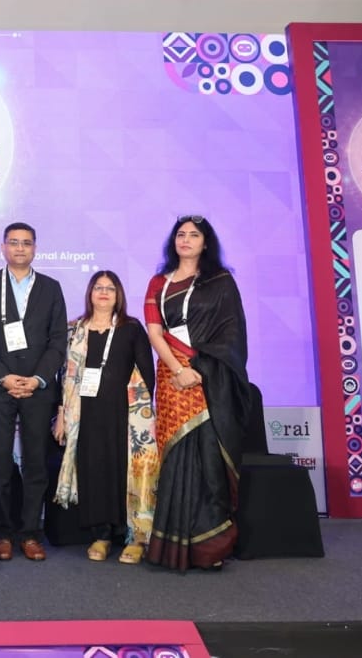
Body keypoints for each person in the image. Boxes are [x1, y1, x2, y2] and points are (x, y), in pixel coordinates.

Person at [143, 214, 256, 572]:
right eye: (181, 234)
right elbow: (154, 332)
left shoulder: (220, 282)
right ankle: (172, 546)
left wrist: (200, 367)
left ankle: (210, 546)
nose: (186, 240)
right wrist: (179, 370)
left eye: (194, 235)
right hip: (172, 376)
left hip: (209, 377)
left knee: (207, 455)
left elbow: (232, 333)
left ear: (206, 243)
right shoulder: (158, 282)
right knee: (177, 455)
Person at [0, 222, 67, 562]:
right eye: (13, 242)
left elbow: (58, 340)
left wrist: (38, 378)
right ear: (3, 247)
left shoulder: (51, 287)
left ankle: (29, 533)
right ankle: (2, 533)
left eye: (26, 243)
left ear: (35, 249)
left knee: (35, 463)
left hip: (38, 389)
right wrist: (3, 376)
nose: (20, 248)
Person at [52, 271, 157, 565]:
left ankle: (135, 538)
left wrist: (141, 415)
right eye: (98, 287)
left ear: (118, 294)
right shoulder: (74, 330)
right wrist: (61, 414)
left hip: (124, 417)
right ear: (90, 292)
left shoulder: (131, 328)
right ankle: (102, 535)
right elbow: (62, 376)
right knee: (94, 472)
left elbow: (147, 373)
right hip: (85, 416)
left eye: (110, 288)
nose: (104, 292)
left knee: (124, 471)